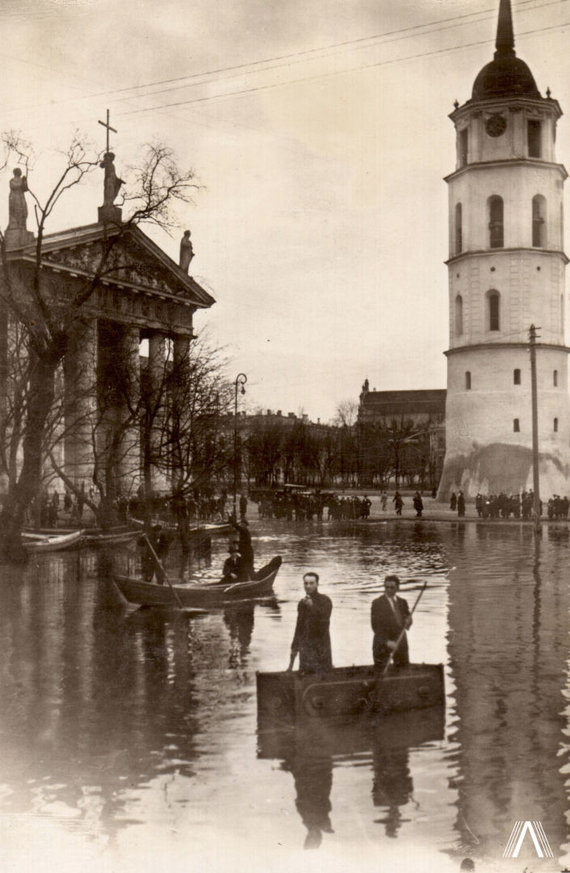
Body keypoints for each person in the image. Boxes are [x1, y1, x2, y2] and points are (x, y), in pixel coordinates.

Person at [288, 572, 332, 674]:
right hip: (306, 648)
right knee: (305, 677)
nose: (308, 586)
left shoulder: (325, 601)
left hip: (321, 647)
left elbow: (324, 623)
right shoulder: (302, 603)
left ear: (317, 584)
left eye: (311, 583)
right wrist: (294, 647)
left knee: (321, 678)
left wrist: (312, 607)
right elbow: (299, 627)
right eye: (306, 583)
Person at [371, 575, 412, 672]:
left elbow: (408, 620)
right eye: (386, 587)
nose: (388, 590)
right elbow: (375, 626)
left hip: (401, 642)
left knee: (403, 673)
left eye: (392, 587)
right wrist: (387, 642)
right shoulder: (377, 603)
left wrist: (409, 621)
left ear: (398, 588)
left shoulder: (403, 602)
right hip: (383, 646)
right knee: (382, 675)